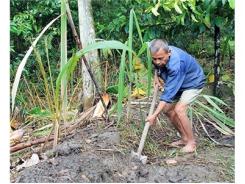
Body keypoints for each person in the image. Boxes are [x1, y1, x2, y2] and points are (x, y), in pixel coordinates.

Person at [145, 39, 206, 153]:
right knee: (168, 110)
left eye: (160, 59)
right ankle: (184, 138)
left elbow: (167, 94)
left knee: (179, 109)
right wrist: (156, 76)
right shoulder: (157, 53)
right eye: (154, 59)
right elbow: (157, 64)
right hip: (179, 82)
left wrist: (154, 115)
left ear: (169, 53)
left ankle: (191, 143)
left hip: (193, 82)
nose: (157, 62)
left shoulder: (175, 65)